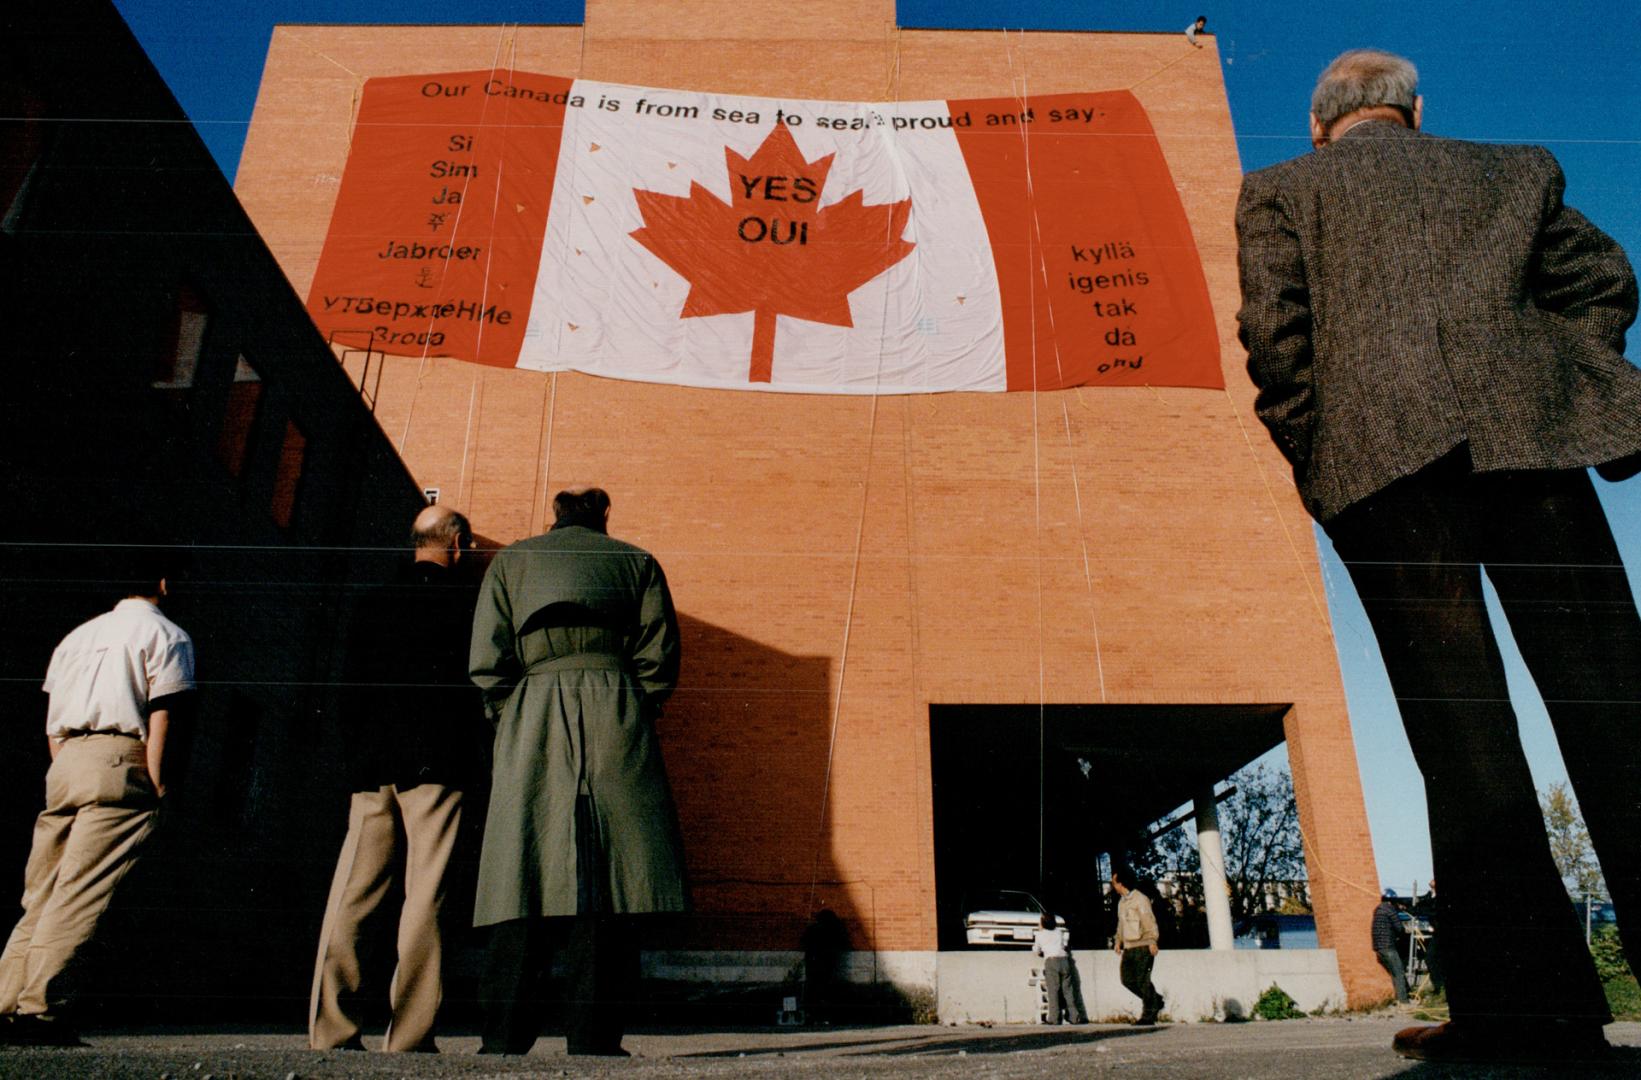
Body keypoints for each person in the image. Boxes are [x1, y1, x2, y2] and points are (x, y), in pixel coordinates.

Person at [1236, 47, 1641, 1063]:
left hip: (1385, 473)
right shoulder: (1516, 166)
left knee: (1463, 740)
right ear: (1416, 110)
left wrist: (1322, 459)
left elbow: (1276, 344)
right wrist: (1565, 375)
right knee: (1617, 714)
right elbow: (1603, 279)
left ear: (1321, 124)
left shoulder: (1281, 190)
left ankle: (1528, 1012)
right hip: (1536, 453)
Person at [469, 487, 686, 1056]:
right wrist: (633, 703)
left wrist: (513, 715)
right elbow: (659, 658)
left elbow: (488, 661)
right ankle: (594, 1039)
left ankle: (503, 1037)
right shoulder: (637, 561)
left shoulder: (512, 561)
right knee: (608, 881)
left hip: (533, 710)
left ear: (556, 516)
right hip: (616, 708)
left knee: (524, 870)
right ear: (604, 517)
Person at [308, 504, 484, 1052]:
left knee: (352, 895)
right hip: (437, 764)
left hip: (372, 765)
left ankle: (330, 1028)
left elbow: (349, 692)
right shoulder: (469, 606)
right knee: (426, 895)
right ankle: (408, 1034)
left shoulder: (371, 601)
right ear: (455, 545)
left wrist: (354, 761)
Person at [0, 550, 194, 1047]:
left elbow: (51, 720)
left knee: (39, 892)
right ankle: (40, 1011)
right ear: (165, 584)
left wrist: (62, 766)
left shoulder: (76, 637)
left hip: (65, 761)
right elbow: (163, 716)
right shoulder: (167, 635)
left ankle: (5, 1000)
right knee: (81, 891)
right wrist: (159, 784)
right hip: (121, 757)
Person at [1111, 865, 1163, 1024]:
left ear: (1122, 883)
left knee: (1142, 980)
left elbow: (1149, 921)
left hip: (1142, 945)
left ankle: (1148, 1015)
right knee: (1127, 979)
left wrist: (1152, 941)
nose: (1113, 885)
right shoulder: (1121, 903)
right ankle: (1155, 1000)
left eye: (1114, 882)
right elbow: (1121, 924)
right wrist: (1118, 940)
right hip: (1129, 946)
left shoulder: (1140, 899)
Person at [1032, 913, 1082, 1025]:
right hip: (1064, 960)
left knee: (1053, 991)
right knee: (1068, 991)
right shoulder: (1058, 932)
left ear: (1043, 922)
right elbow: (1063, 945)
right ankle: (1074, 1017)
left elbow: (1036, 950)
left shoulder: (1040, 935)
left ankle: (1054, 1018)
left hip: (1051, 961)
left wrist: (1040, 931)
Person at [1371, 894, 1409, 1004]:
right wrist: (1406, 932)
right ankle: (1404, 1001)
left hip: (1378, 947)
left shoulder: (1378, 910)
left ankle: (1400, 998)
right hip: (1388, 946)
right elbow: (1399, 928)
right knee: (1399, 972)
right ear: (1392, 902)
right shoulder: (1390, 910)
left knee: (1394, 972)